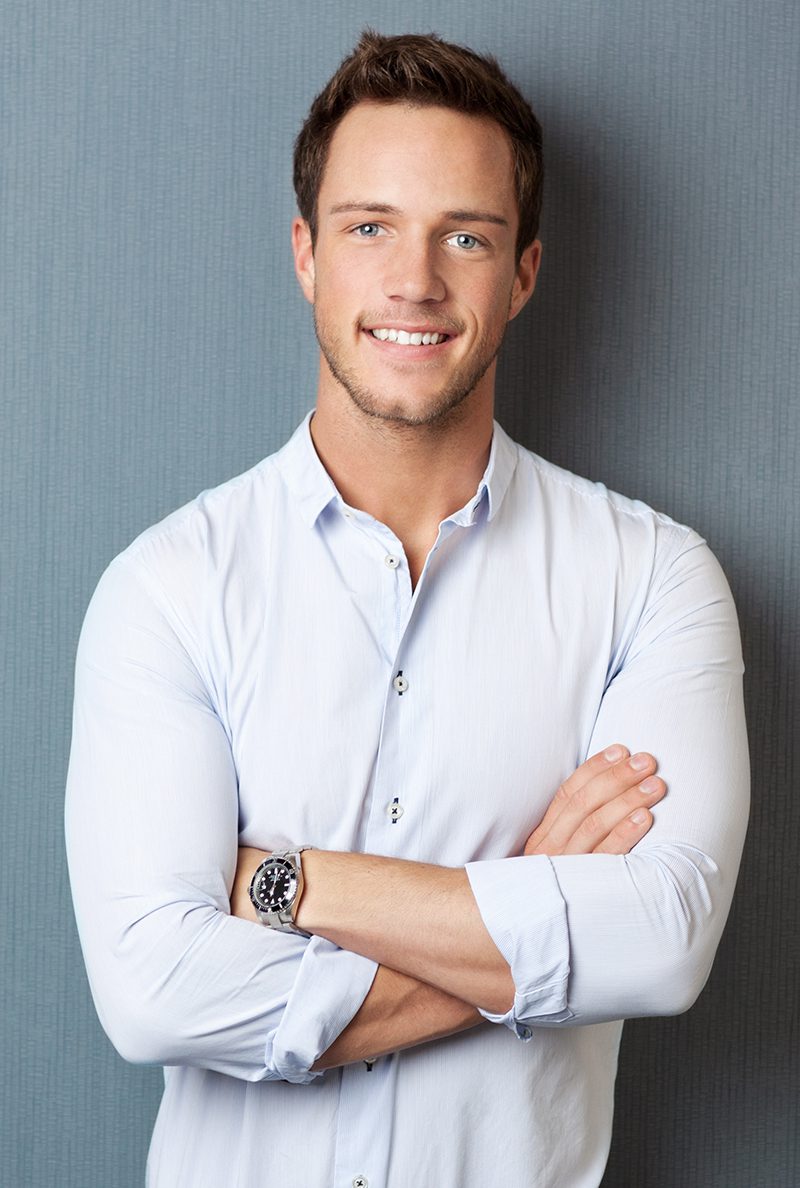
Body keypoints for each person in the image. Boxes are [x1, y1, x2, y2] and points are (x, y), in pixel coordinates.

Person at [65, 30, 749, 1188]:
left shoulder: (652, 580)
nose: (414, 280)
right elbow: (152, 995)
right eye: (368, 226)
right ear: (305, 255)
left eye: (464, 235)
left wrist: (285, 885)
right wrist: (532, 908)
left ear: (522, 270)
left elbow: (664, 943)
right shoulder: (168, 588)